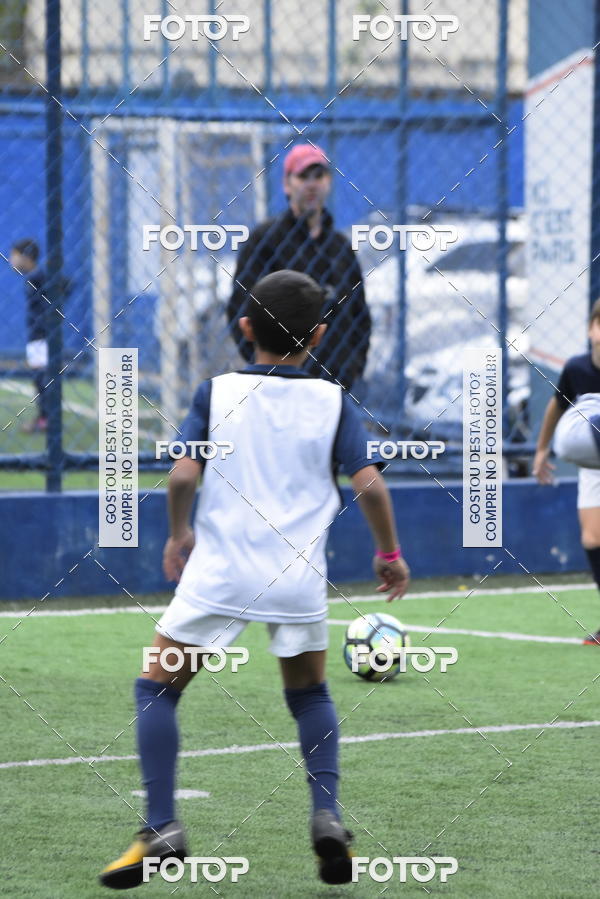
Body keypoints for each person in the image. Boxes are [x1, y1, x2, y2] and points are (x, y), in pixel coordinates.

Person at [100, 270, 409, 890]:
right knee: (310, 695)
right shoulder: (333, 399)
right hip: (296, 577)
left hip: (220, 571)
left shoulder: (214, 394)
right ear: (319, 335)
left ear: (244, 328)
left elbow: (184, 477)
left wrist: (178, 533)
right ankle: (326, 815)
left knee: (156, 687)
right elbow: (369, 482)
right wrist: (388, 554)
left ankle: (161, 825)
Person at [226, 144, 371, 392]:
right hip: (279, 384)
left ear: (329, 182)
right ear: (287, 184)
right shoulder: (266, 240)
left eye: (319, 176)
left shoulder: (340, 247)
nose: (312, 184)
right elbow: (240, 309)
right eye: (303, 176)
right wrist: (266, 366)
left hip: (332, 387)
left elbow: (360, 317)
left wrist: (350, 372)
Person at [533, 298, 600, 645]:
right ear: (590, 329)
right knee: (592, 538)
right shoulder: (576, 369)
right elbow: (556, 406)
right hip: (594, 462)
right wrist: (542, 449)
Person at [10, 239, 49, 432]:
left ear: (25, 256)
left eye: (14, 256)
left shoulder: (37, 276)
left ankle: (46, 419)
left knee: (42, 377)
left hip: (42, 336)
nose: (11, 260)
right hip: (38, 335)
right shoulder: (33, 277)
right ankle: (45, 417)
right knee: (39, 377)